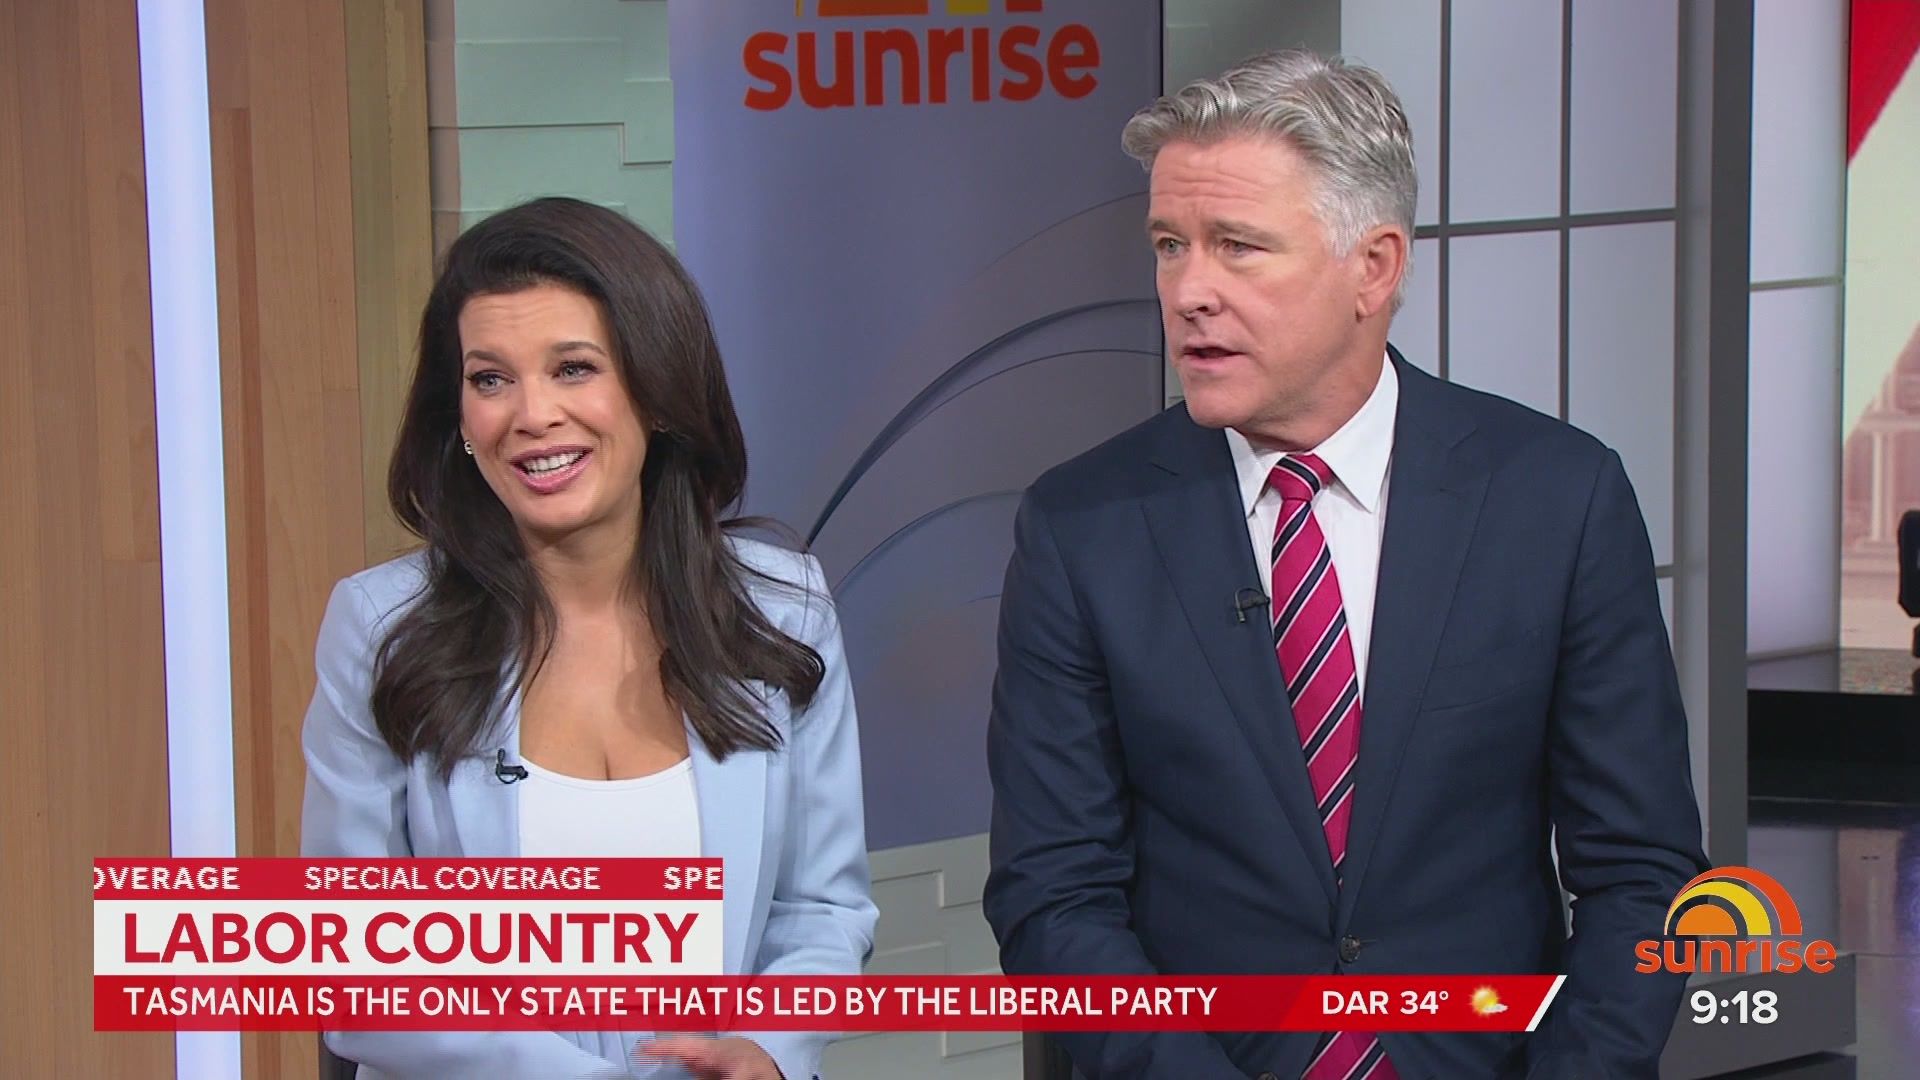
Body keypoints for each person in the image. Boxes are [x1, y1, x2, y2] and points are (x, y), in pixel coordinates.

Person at [983, 50, 1708, 1080]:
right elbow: (1054, 894)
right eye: (1170, 245)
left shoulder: (1555, 497)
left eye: (1238, 247)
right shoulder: (1084, 525)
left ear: (1374, 267)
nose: (1189, 291)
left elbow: (1642, 872)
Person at [301, 197, 876, 1080]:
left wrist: (766, 1048)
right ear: (458, 416)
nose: (532, 414)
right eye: (491, 379)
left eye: (573, 369)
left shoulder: (782, 607)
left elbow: (822, 909)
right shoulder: (382, 627)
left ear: (656, 389)